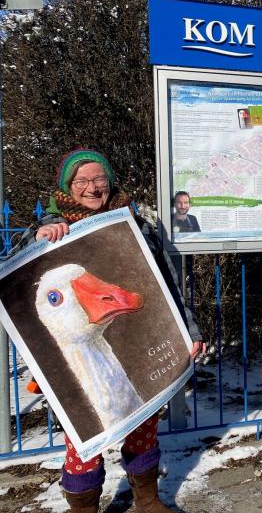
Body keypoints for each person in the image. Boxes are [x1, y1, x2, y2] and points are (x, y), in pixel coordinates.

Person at [21, 149, 207, 512]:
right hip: (81, 361)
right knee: (84, 440)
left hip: (137, 349)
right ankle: (84, 507)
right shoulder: (47, 231)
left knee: (143, 428)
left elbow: (165, 284)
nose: (91, 188)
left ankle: (147, 500)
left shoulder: (136, 227)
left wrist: (189, 329)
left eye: (98, 180)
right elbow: (19, 276)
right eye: (81, 182)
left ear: (109, 182)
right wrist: (39, 238)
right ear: (67, 187)